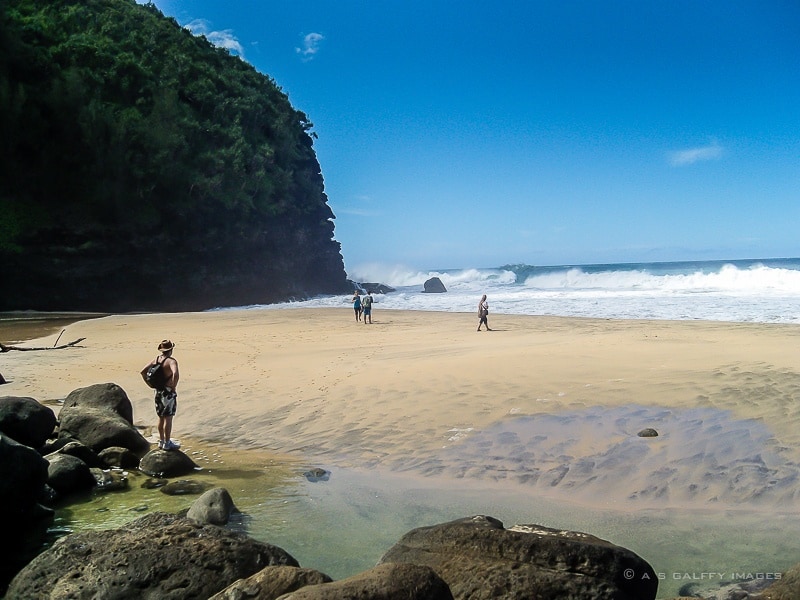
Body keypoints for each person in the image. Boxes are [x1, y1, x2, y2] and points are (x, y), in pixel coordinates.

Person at [140, 339, 181, 450]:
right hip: (167, 391)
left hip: (158, 391)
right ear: (171, 349)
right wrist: (173, 386)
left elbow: (143, 371)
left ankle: (162, 441)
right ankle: (167, 443)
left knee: (161, 417)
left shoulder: (157, 359)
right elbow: (175, 374)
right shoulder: (171, 361)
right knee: (168, 417)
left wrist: (149, 384)